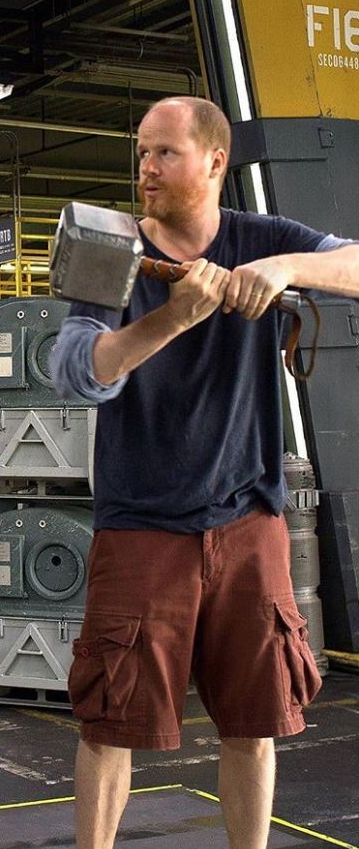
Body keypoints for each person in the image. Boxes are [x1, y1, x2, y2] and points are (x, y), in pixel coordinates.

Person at [51, 96, 359, 849]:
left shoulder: (263, 238)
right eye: (142, 152)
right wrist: (174, 317)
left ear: (215, 161)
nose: (146, 168)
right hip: (141, 525)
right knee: (109, 724)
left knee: (255, 724)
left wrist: (285, 267)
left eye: (165, 152)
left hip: (249, 522)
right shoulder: (113, 248)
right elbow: (76, 372)